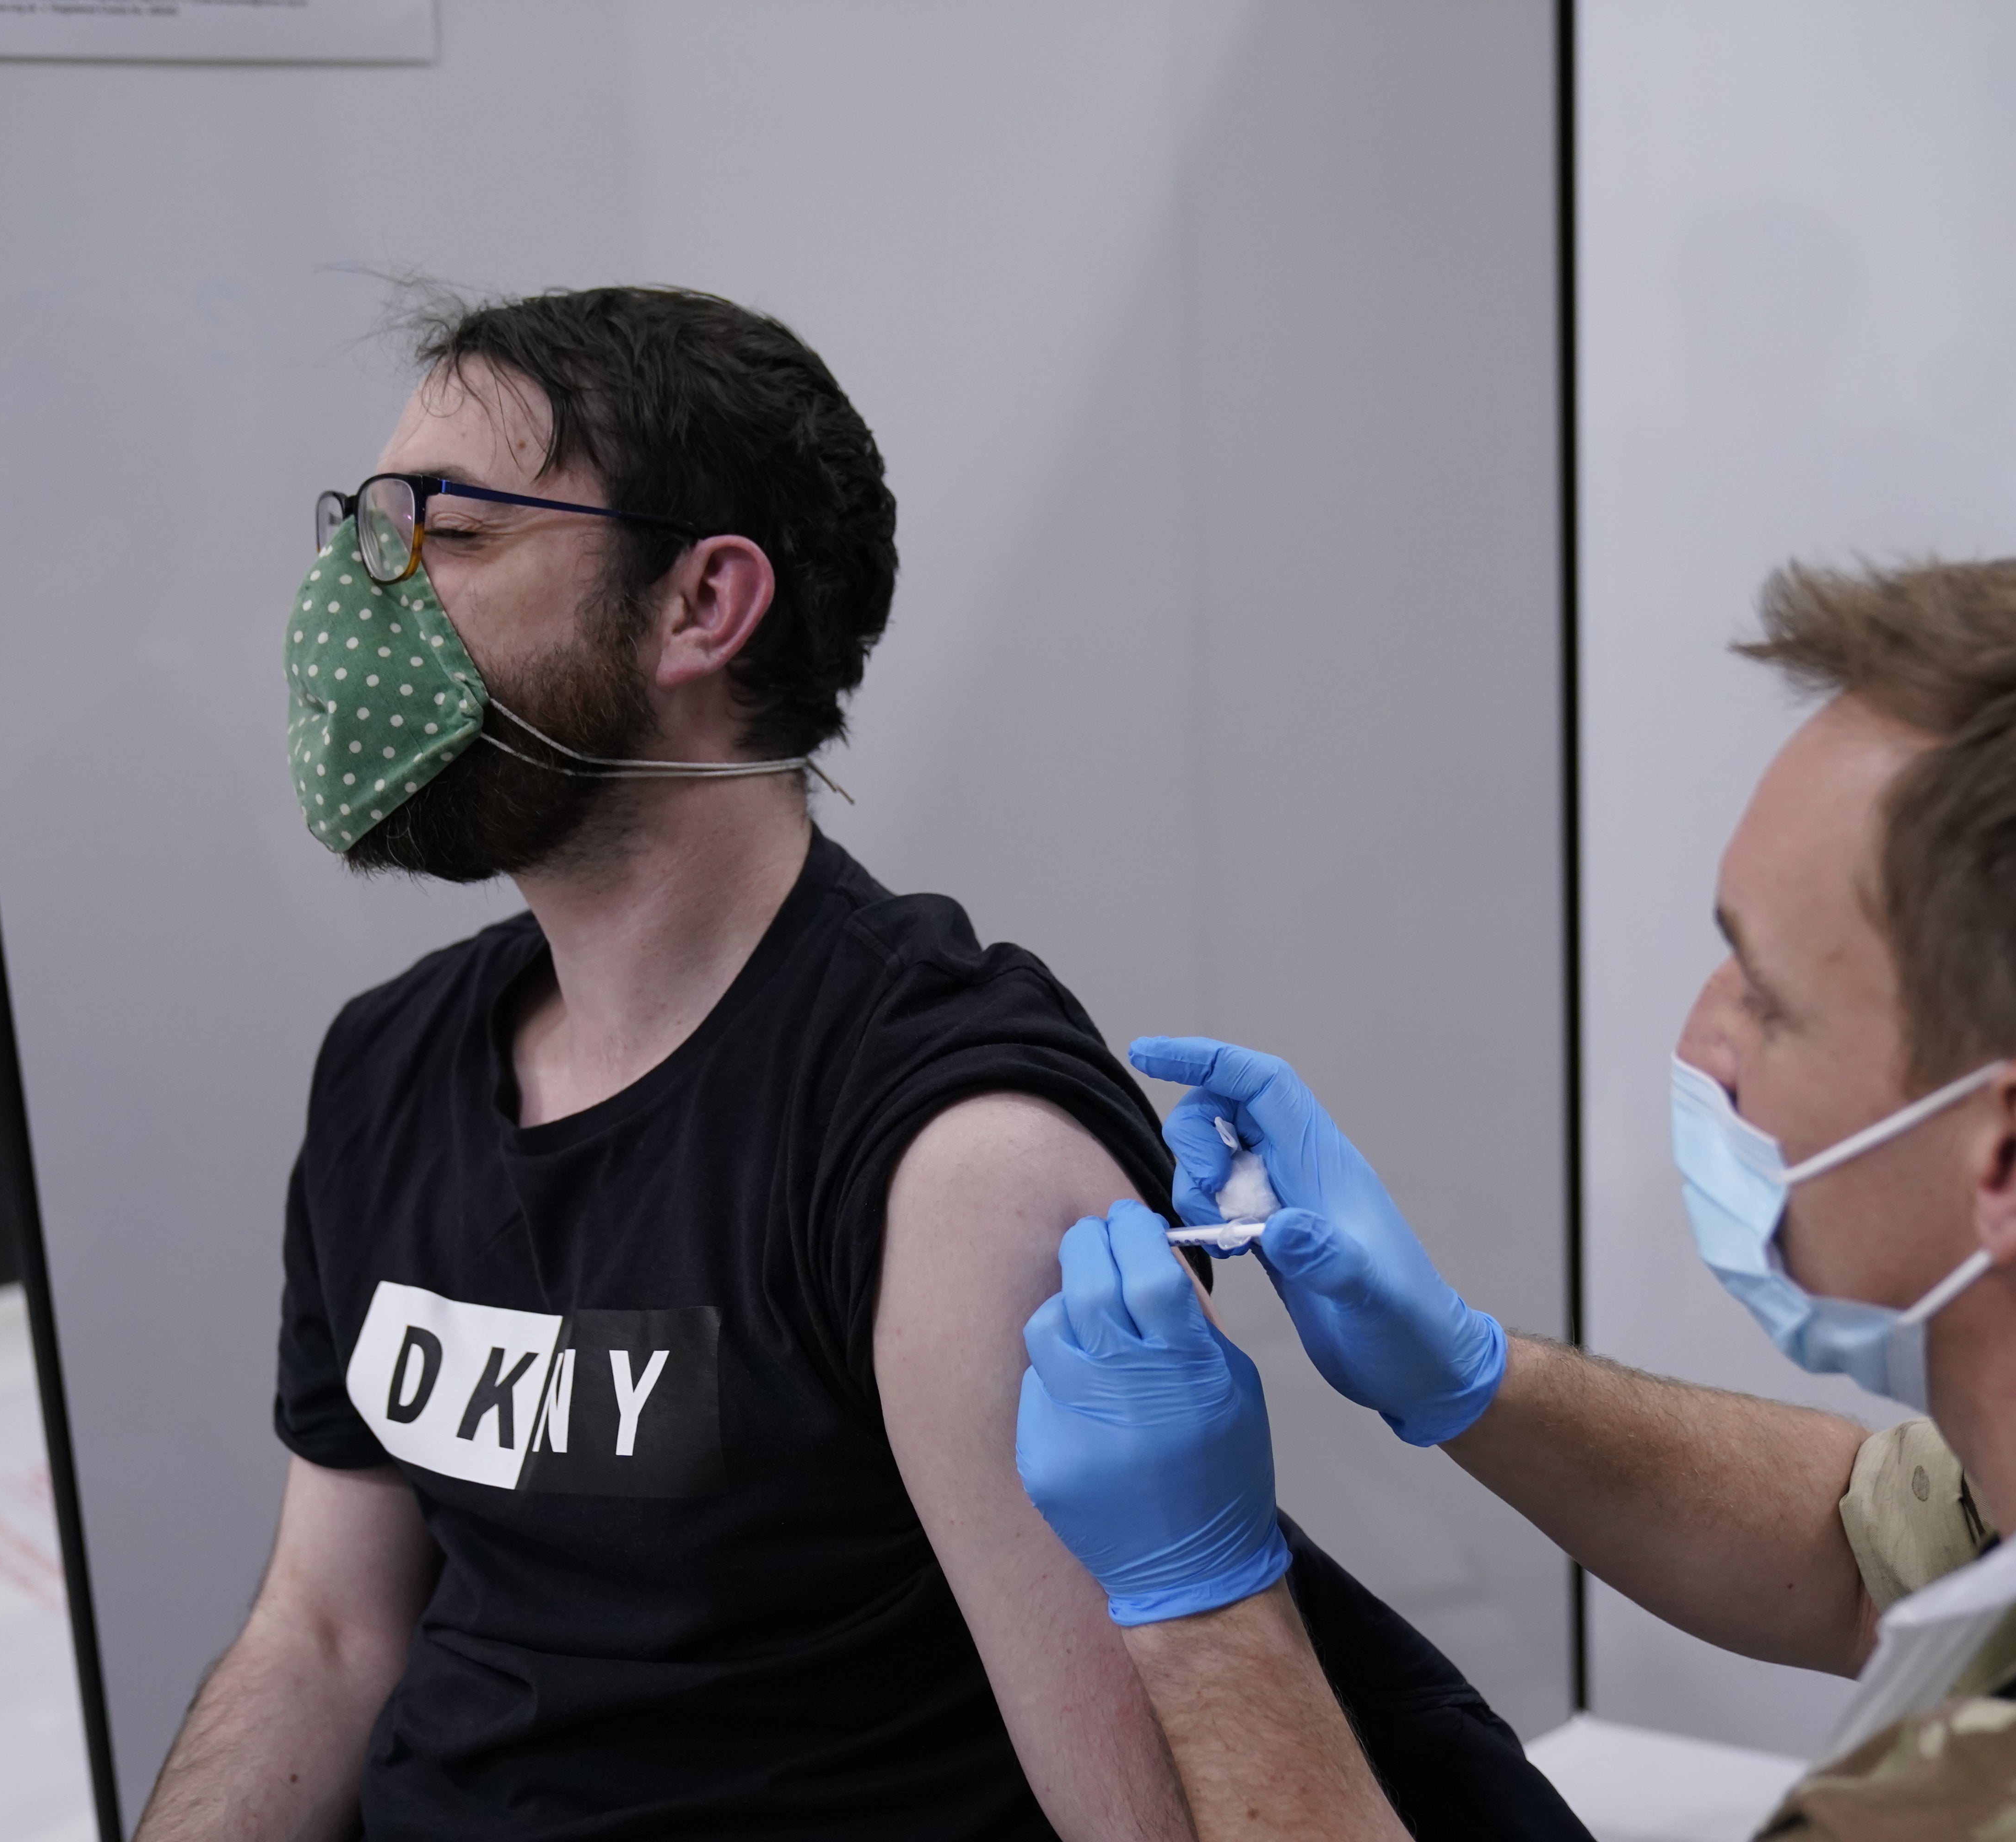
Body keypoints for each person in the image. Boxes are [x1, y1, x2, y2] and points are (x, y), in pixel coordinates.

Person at [134, 286, 1578, 1842]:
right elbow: (329, 1633)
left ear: (703, 605)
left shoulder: (954, 1162)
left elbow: (1142, 1824)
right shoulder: (388, 1069)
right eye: (370, 531)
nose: (369, 603)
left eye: (454, 537)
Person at [1018, 556, 2016, 1839]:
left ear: (2012, 1157)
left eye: (1769, 997)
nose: (1702, 1044)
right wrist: (1464, 1374)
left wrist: (1206, 1608)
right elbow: (1880, 1557)